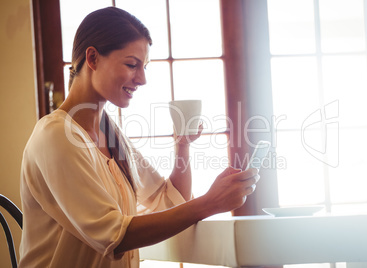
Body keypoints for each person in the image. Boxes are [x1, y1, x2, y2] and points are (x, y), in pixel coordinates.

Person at [19, 6, 259, 268]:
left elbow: (166, 201)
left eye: (144, 67)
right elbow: (115, 236)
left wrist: (182, 146)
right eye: (132, 65)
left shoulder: (111, 134)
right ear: (92, 58)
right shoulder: (55, 136)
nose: (143, 79)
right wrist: (210, 203)